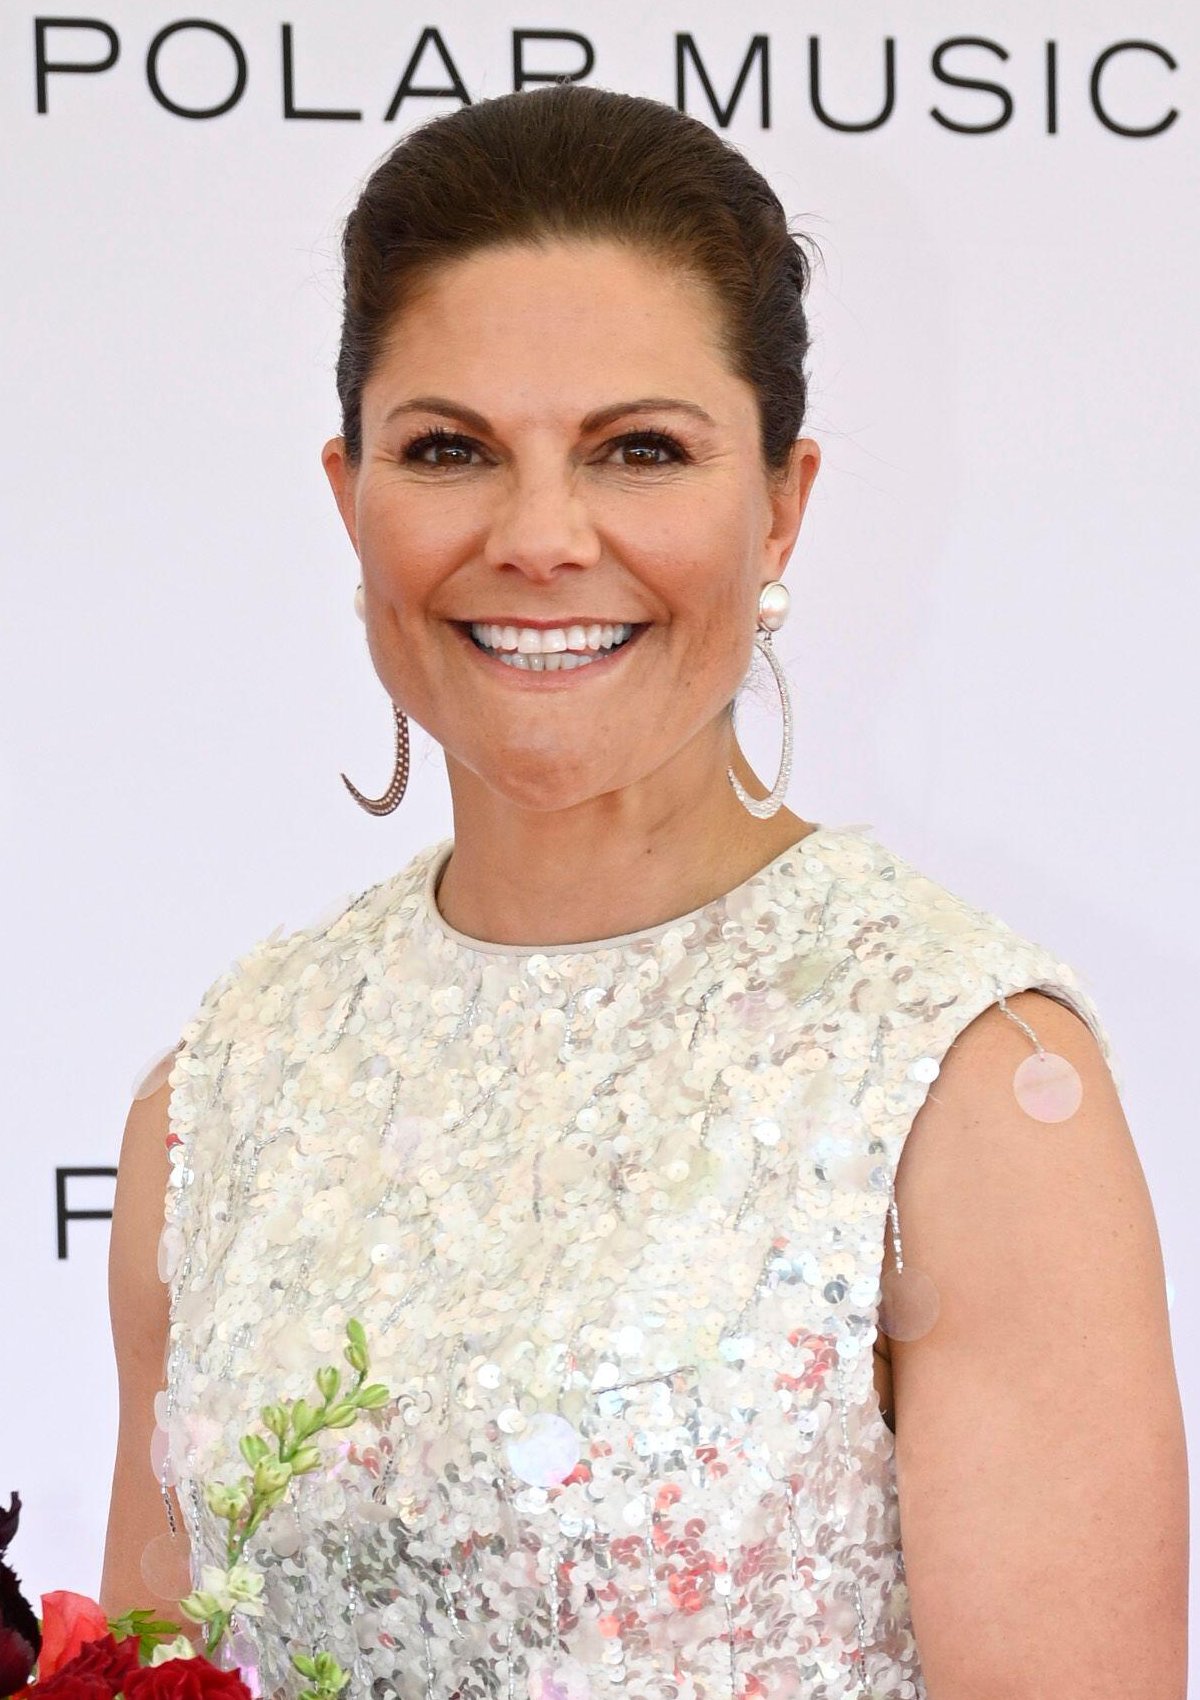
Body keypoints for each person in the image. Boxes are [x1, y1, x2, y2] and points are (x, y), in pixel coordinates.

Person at [101, 83, 1187, 1700]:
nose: (542, 536)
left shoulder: (961, 1077)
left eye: (641, 451)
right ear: (351, 500)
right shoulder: (218, 1097)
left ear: (783, 506)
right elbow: (146, 1666)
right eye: (451, 448)